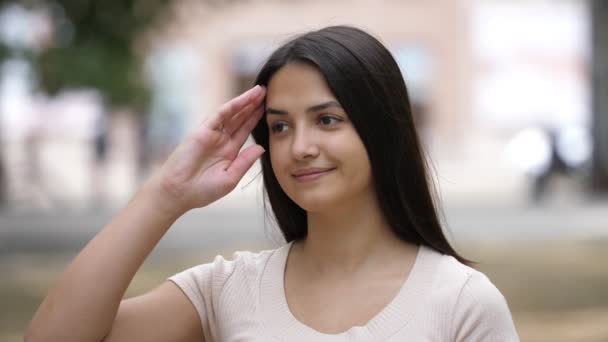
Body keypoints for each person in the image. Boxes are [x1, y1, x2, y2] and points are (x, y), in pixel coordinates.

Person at [26, 26, 519, 341]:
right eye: (280, 126)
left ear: (382, 128)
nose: (299, 146)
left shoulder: (460, 303)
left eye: (327, 120)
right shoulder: (228, 290)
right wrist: (165, 196)